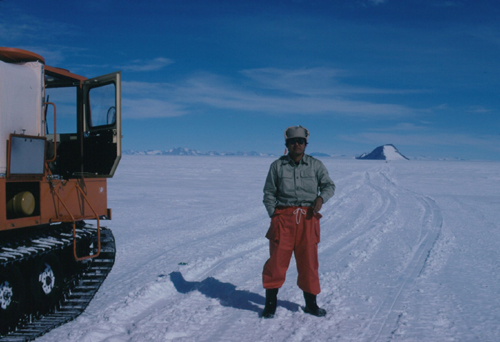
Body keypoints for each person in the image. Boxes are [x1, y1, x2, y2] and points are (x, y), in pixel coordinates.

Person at [261, 125, 335, 318]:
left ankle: (311, 305)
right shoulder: (277, 166)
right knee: (276, 263)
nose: (297, 144)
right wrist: (273, 214)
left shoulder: (316, 165)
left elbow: (328, 185)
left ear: (305, 144)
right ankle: (270, 306)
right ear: (287, 144)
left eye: (300, 141)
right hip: (283, 218)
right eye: (293, 141)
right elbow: (268, 192)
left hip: (308, 219)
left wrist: (321, 199)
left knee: (309, 263)